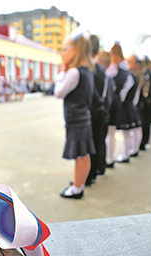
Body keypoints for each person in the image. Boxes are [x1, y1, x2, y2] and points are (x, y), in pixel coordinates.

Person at [54, 28, 95, 199]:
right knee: (83, 155)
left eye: (65, 49)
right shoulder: (87, 70)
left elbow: (58, 92)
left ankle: (77, 189)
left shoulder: (73, 72)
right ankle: (79, 184)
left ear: (76, 50)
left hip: (76, 120)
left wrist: (62, 71)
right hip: (83, 118)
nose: (62, 53)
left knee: (80, 156)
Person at [86, 35, 112, 185]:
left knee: (90, 146)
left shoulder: (89, 69)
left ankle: (87, 178)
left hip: (92, 112)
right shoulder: (103, 71)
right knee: (99, 142)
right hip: (102, 113)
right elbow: (108, 94)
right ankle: (96, 171)